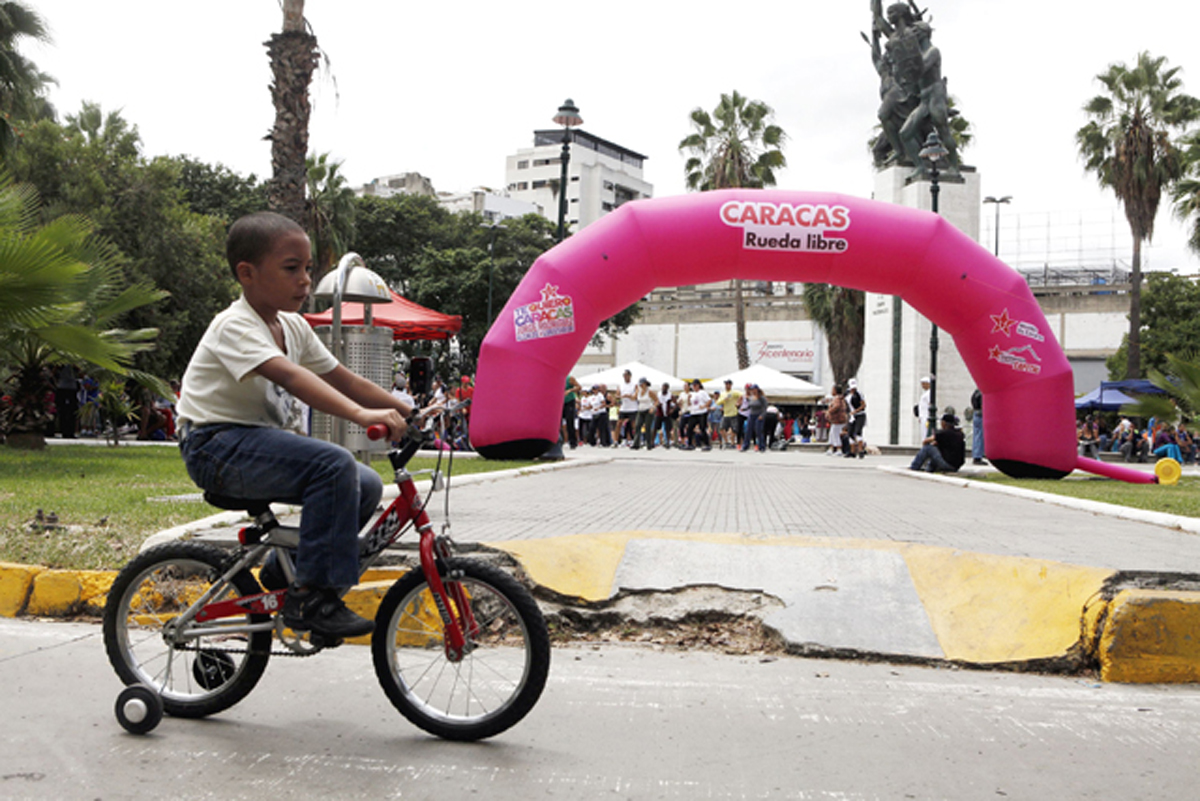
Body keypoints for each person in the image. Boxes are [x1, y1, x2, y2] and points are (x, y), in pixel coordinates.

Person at [175, 211, 412, 641]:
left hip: (253, 443)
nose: (304, 280)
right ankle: (312, 598)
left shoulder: (293, 326)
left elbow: (347, 379)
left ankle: (284, 573)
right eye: (291, 269)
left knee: (365, 484)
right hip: (214, 445)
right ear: (247, 273)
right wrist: (360, 417)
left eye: (307, 269)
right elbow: (291, 377)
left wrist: (405, 412)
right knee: (334, 465)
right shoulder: (236, 325)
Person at [717, 379, 743, 449]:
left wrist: (738, 403)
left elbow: (742, 395)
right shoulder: (723, 393)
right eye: (726, 384)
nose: (727, 386)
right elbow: (718, 402)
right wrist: (724, 399)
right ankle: (726, 441)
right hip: (726, 413)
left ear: (731, 385)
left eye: (728, 384)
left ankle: (732, 442)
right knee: (721, 428)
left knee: (734, 430)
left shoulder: (734, 392)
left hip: (733, 413)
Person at [845, 378, 868, 459]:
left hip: (859, 415)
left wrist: (855, 411)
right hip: (851, 416)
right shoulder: (847, 394)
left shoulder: (858, 394)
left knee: (858, 432)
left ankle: (861, 450)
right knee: (850, 433)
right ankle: (852, 451)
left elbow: (863, 405)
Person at [742, 384, 767, 452]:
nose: (752, 391)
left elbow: (765, 408)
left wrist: (762, 415)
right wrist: (744, 409)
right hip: (751, 415)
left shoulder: (761, 398)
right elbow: (750, 406)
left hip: (758, 415)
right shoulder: (751, 397)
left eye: (753, 389)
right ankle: (745, 446)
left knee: (758, 431)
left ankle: (762, 446)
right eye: (751, 389)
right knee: (748, 431)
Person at [826, 386, 848, 456]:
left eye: (833, 390)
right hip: (837, 420)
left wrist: (829, 411)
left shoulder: (837, 398)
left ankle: (839, 448)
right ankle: (831, 447)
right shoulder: (841, 398)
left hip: (838, 420)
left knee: (836, 434)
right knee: (832, 433)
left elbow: (836, 406)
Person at [618, 369, 638, 446]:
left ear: (630, 376)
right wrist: (621, 396)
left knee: (633, 424)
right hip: (624, 407)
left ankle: (635, 439)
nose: (625, 377)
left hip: (633, 407)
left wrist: (630, 396)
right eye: (624, 375)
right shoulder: (621, 385)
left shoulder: (634, 385)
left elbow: (635, 397)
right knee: (619, 423)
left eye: (626, 375)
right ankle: (618, 440)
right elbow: (617, 396)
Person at [970, 388, 986, 465]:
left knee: (976, 435)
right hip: (981, 415)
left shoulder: (976, 392)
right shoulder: (982, 393)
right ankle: (978, 456)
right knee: (980, 436)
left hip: (976, 413)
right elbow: (984, 404)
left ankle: (975, 454)